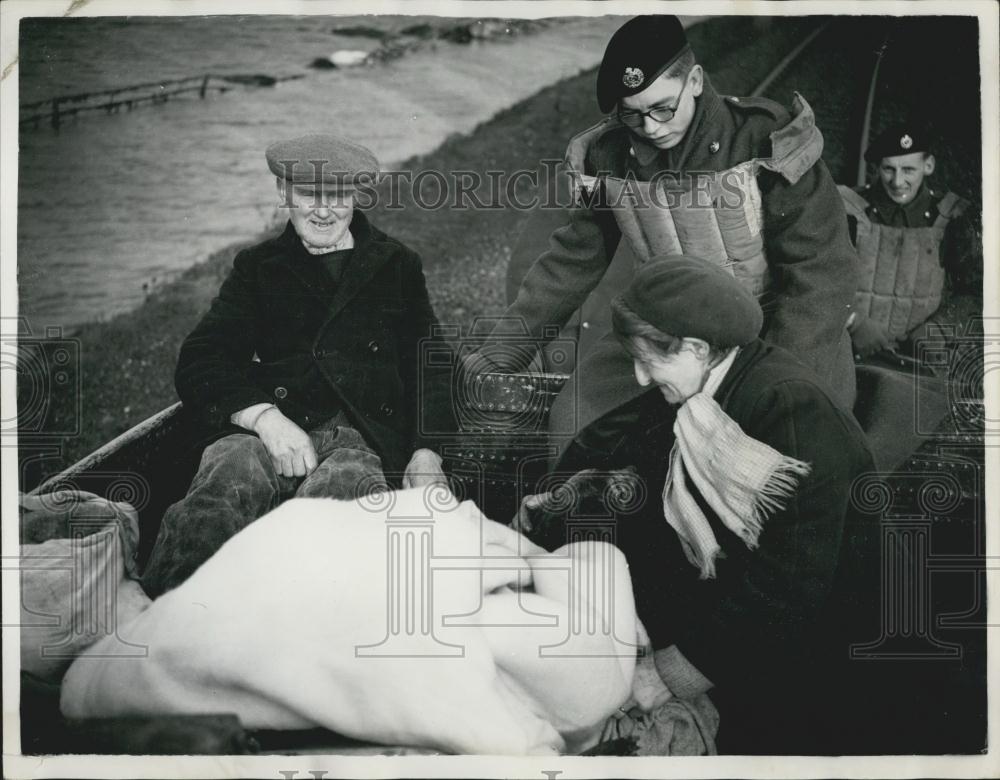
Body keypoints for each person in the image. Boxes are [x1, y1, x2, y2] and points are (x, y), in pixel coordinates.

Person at [532, 254, 958, 755]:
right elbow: (624, 444)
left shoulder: (789, 408)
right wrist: (566, 497)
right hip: (773, 619)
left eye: (650, 360)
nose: (641, 378)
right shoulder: (709, 382)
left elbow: (791, 582)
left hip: (846, 642)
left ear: (695, 347)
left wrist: (668, 674)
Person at [482, 14, 859, 468]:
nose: (651, 127)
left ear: (695, 81)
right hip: (667, 333)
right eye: (632, 113)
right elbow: (571, 261)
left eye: (663, 108)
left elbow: (821, 272)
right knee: (574, 425)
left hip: (774, 333)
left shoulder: (767, 141)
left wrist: (780, 380)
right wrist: (500, 353)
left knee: (774, 454)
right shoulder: (610, 157)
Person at [140, 134, 455, 598]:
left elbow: (431, 362)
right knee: (222, 484)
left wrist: (428, 451)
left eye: (337, 197)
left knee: (336, 506)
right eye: (309, 195)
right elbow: (202, 357)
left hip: (359, 440)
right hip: (269, 429)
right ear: (284, 194)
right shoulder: (258, 268)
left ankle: (282, 641)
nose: (323, 212)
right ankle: (161, 624)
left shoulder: (397, 265)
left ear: (354, 198)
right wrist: (265, 419)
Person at [839, 122, 977, 361]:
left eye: (909, 170)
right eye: (888, 169)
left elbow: (978, 289)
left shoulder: (953, 217)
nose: (897, 181)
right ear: (877, 167)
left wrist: (940, 329)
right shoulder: (847, 209)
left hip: (920, 360)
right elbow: (815, 275)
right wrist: (852, 320)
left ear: (928, 165)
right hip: (849, 351)